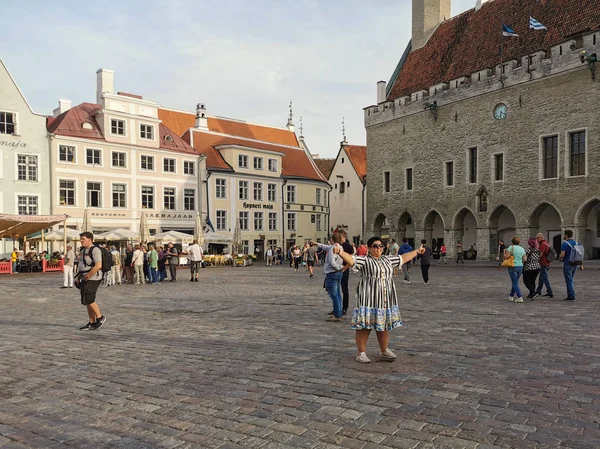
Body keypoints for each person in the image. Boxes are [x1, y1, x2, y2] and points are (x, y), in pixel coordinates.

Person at [336, 236, 424, 363]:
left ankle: (384, 350)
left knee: (383, 325)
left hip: (385, 299)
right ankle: (361, 353)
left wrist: (417, 251)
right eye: (375, 246)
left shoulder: (387, 259)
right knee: (364, 326)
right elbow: (351, 260)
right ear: (369, 248)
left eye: (380, 246)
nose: (378, 248)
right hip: (368, 298)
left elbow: (403, 258)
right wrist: (340, 252)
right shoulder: (365, 260)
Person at [75, 232, 106, 330]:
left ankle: (100, 317)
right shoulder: (84, 250)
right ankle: (91, 322)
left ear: (90, 239)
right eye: (81, 239)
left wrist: (88, 275)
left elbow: (98, 265)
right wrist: (78, 277)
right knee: (86, 300)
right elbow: (82, 265)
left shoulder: (95, 250)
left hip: (93, 277)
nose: (81, 240)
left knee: (89, 298)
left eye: (83, 239)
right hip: (84, 277)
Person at [313, 234, 345, 322]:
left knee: (334, 295)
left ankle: (337, 314)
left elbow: (332, 262)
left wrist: (339, 267)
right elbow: (325, 247)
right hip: (338, 273)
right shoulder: (340, 247)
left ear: (333, 240)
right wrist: (317, 244)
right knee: (338, 294)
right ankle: (339, 312)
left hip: (332, 273)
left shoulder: (332, 249)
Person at [504, 236, 527, 303]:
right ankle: (511, 296)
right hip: (520, 266)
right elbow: (525, 259)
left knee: (515, 282)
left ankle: (519, 297)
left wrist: (505, 254)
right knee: (515, 281)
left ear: (512, 242)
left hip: (513, 266)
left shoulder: (511, 247)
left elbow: (507, 256)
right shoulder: (522, 248)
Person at [338, 230, 355, 315]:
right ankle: (337, 307)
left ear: (341, 237)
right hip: (338, 269)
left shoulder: (347, 246)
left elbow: (351, 260)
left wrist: (345, 268)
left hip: (344, 269)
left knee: (344, 289)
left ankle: (344, 308)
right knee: (336, 289)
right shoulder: (339, 246)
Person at [559, 229, 578, 301]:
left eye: (564, 234)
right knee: (571, 279)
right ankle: (570, 294)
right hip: (575, 263)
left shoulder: (565, 243)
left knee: (569, 280)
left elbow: (562, 254)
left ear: (566, 235)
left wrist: (560, 258)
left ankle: (571, 296)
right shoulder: (576, 243)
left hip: (568, 263)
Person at [535, 233, 554, 298]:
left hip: (543, 263)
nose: (537, 239)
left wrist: (535, 260)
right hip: (547, 262)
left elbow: (539, 254)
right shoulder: (547, 243)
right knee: (541, 278)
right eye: (536, 238)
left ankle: (550, 292)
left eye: (538, 238)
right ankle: (538, 291)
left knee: (545, 278)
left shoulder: (542, 245)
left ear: (542, 238)